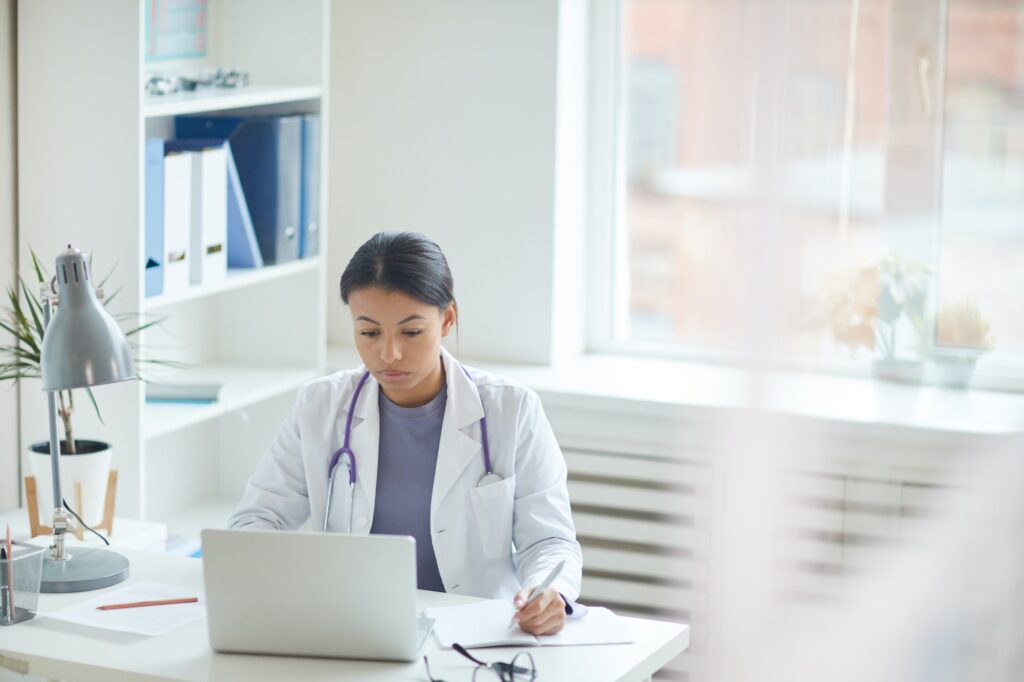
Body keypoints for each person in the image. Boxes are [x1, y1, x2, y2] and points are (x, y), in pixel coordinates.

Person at [230, 232, 583, 635]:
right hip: (353, 630)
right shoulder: (319, 407)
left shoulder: (511, 410)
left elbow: (550, 541)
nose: (389, 354)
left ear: (447, 319)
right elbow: (257, 519)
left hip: (476, 636)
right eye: (369, 332)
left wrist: (547, 591)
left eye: (411, 332)